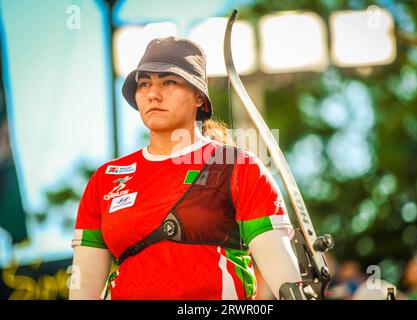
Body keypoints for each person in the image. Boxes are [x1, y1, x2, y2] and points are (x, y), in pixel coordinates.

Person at [69, 37, 304, 300]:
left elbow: (280, 268)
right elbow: (84, 287)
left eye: (169, 82)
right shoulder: (106, 179)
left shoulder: (239, 167)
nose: (153, 94)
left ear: (200, 99)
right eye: (144, 83)